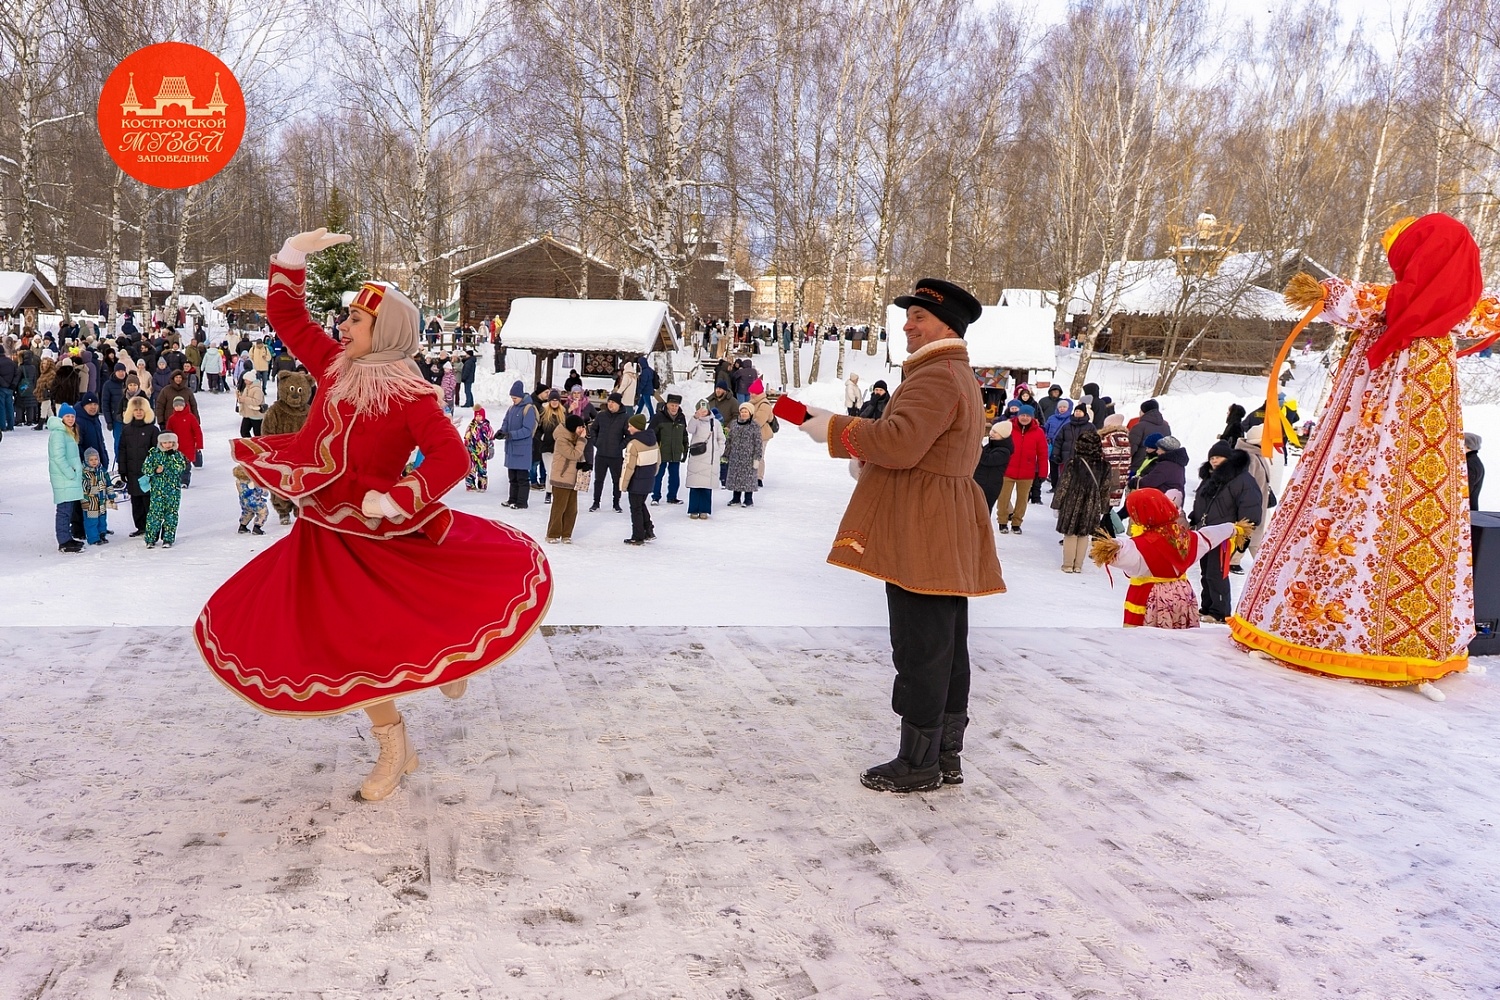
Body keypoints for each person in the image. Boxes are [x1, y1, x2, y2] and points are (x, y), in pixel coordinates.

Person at [195, 228, 553, 803]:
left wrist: (398, 497)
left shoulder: (412, 396)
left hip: (378, 534)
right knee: (346, 645)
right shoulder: (335, 366)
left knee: (383, 634)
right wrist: (292, 257)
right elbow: (288, 319)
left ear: (384, 330)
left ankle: (433, 683)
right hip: (323, 535)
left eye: (355, 321)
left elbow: (452, 458)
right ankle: (397, 742)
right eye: (345, 319)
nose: (342, 328)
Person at [1234, 215, 1497, 696]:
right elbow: (1489, 314)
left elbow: (1343, 298)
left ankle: (1316, 630)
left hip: (1367, 420)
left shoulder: (1389, 302)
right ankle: (1407, 640)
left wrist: (1324, 293)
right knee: (1416, 503)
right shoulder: (1458, 308)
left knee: (1351, 494)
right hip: (1429, 416)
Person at [798, 278, 1003, 793]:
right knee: (945, 644)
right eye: (907, 317)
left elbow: (900, 442)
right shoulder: (952, 372)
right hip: (941, 519)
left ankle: (919, 763)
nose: (908, 326)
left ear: (946, 327)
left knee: (920, 645)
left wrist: (835, 430)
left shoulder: (936, 375)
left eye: (919, 318)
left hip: (924, 524)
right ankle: (944, 755)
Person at [1091, 488, 1248, 629]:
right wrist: (1233, 529)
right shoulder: (1186, 537)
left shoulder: (1140, 545)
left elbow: (1124, 553)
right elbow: (1209, 535)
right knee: (1178, 639)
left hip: (1150, 596)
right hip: (1182, 593)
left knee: (1147, 641)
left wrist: (1111, 548)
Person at [1190, 440, 1262, 623]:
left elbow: (1251, 505)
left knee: (1217, 572)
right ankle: (1208, 607)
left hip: (1225, 534)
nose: (1214, 461)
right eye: (1212, 458)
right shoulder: (1211, 478)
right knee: (1206, 572)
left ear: (1228, 458)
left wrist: (1243, 529)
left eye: (1218, 457)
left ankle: (1220, 612)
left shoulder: (1242, 479)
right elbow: (1202, 502)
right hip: (1207, 532)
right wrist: (1194, 519)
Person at [1054, 426, 1113, 573]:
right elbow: (1105, 489)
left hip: (1072, 501)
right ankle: (1078, 566)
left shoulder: (1073, 463)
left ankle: (1068, 564)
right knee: (1084, 534)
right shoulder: (1105, 466)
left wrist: (1057, 504)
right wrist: (1103, 508)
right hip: (1092, 503)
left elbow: (1064, 485)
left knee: (1070, 533)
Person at [996, 404, 1047, 533]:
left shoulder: (1038, 432)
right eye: (1022, 415)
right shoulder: (1009, 428)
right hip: (1007, 470)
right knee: (1003, 498)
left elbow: (1042, 454)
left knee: (1022, 500)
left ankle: (1016, 523)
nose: (1025, 418)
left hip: (1027, 473)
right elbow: (997, 445)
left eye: (1028, 416)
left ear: (1032, 417)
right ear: (1018, 416)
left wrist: (1043, 473)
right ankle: (1002, 521)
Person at [1229, 425, 1273, 574]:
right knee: (1247, 532)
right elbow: (1245, 483)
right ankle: (1235, 560)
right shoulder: (1249, 457)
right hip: (1250, 503)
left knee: (1254, 534)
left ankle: (1261, 563)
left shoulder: (1257, 454)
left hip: (1257, 501)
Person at [48, 403, 85, 553]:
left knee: (67, 509)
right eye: (67, 416)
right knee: (64, 510)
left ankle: (67, 538)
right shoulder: (59, 434)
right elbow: (58, 457)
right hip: (64, 478)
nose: (70, 419)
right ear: (61, 418)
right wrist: (71, 473)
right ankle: (63, 541)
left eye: (72, 416)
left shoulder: (67, 432)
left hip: (68, 478)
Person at [119, 396, 158, 536]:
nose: (139, 412)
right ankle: (140, 526)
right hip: (132, 471)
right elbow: (122, 450)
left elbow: (157, 452)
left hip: (148, 473)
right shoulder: (127, 430)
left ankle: (152, 527)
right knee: (136, 501)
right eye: (136, 410)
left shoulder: (153, 430)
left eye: (141, 409)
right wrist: (122, 470)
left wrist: (155, 469)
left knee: (148, 500)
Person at [143, 431, 189, 548]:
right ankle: (150, 538)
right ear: (160, 443)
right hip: (157, 490)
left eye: (170, 442)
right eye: (165, 442)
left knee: (171, 514)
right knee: (155, 514)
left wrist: (170, 464)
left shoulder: (177, 455)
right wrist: (155, 470)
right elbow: (145, 468)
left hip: (173, 490)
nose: (168, 445)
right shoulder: (154, 454)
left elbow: (181, 467)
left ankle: (168, 538)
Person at [546, 414, 587, 543]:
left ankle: (566, 534)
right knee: (559, 508)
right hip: (561, 478)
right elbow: (573, 454)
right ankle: (552, 534)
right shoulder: (561, 440)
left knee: (571, 510)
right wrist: (582, 440)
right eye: (580, 427)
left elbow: (579, 456)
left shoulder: (575, 439)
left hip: (573, 479)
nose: (582, 430)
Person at [620, 413, 660, 544]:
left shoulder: (633, 444)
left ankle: (638, 536)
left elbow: (629, 467)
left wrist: (623, 484)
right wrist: (652, 475)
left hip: (636, 481)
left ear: (637, 427)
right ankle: (648, 530)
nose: (628, 428)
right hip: (648, 480)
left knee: (636, 508)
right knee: (641, 504)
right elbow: (658, 461)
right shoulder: (653, 441)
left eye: (630, 426)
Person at [588, 392, 629, 512]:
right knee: (598, 480)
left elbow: (629, 435)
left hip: (615, 456)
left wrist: (620, 446)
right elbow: (593, 429)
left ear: (619, 404)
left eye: (613, 402)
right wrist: (596, 442)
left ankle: (616, 504)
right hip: (601, 454)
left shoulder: (625, 417)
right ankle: (596, 503)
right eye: (609, 402)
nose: (610, 404)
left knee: (616, 481)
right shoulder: (601, 415)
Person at [498, 380, 537, 509]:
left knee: (522, 478)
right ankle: (512, 499)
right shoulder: (511, 408)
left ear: (521, 396)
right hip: (511, 449)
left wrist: (511, 435)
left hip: (522, 450)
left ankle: (521, 502)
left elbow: (527, 430)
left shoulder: (528, 409)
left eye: (515, 398)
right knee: (512, 478)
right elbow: (505, 422)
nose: (513, 400)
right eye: (512, 398)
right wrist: (502, 431)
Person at [685, 399, 722, 519]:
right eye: (700, 409)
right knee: (695, 486)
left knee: (707, 486)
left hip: (710, 459)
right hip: (697, 457)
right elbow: (690, 429)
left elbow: (721, 439)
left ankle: (704, 510)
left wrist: (719, 451)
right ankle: (693, 509)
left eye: (705, 409)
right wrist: (695, 417)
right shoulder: (695, 421)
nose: (703, 411)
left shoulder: (715, 423)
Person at [650, 393, 687, 504]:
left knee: (675, 477)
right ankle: (655, 497)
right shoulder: (658, 417)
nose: (674, 408)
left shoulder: (681, 418)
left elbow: (684, 435)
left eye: (676, 406)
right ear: (667, 405)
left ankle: (672, 497)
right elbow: (650, 433)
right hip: (661, 452)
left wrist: (685, 449)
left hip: (676, 452)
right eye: (672, 405)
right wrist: (654, 448)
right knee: (658, 476)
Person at [724, 402, 763, 507]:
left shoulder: (754, 426)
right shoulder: (734, 424)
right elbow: (729, 440)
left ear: (750, 413)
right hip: (735, 456)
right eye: (742, 411)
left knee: (748, 479)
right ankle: (736, 498)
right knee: (736, 478)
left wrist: (757, 457)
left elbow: (758, 443)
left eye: (746, 412)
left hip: (749, 457)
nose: (744, 414)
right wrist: (726, 453)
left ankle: (748, 500)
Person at [973, 420, 1012, 514]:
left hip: (990, 486)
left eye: (995, 432)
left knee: (983, 511)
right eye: (992, 431)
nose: (992, 433)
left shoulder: (1004, 451)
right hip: (980, 482)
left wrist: (977, 445)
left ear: (1003, 435)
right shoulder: (991, 445)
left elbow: (986, 460)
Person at [166, 396, 203, 488]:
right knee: (176, 465)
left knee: (186, 466)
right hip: (176, 447)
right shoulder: (172, 419)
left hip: (188, 446)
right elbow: (168, 432)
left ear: (184, 406)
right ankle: (177, 480)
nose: (178, 407)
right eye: (176, 406)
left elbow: (197, 431)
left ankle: (185, 482)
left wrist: (199, 444)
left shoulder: (190, 417)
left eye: (180, 405)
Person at [81, 447, 114, 545]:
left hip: (102, 500)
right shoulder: (84, 473)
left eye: (96, 459)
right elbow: (83, 488)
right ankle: (93, 538)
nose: (94, 462)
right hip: (90, 502)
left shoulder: (102, 471)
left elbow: (108, 483)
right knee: (92, 520)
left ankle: (102, 533)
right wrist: (95, 490)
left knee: (102, 518)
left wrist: (111, 495)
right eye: (91, 460)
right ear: (86, 460)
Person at [1128, 399, 1171, 473]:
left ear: (1144, 412)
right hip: (1159, 465)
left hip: (1139, 466)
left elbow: (1131, 447)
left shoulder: (1139, 426)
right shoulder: (1166, 426)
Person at [463, 406, 493, 491]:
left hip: (482, 452)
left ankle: (482, 485)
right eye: (476, 416)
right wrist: (465, 446)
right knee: (471, 468)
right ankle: (470, 485)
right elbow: (467, 436)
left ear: (483, 416)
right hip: (471, 451)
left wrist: (491, 448)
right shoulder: (471, 426)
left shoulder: (487, 427)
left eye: (480, 416)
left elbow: (491, 438)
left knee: (482, 468)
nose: (478, 418)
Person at [233, 464, 269, 535]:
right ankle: (257, 527)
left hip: (244, 502)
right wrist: (265, 491)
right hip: (255, 502)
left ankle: (242, 526)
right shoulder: (252, 482)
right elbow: (262, 491)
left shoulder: (238, 482)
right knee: (263, 512)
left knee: (247, 513)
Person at [1466, 432, 1485, 510]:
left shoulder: (1471, 463)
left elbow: (1466, 490)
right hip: (1469, 510)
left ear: (1467, 446)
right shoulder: (1474, 461)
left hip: (1468, 511)